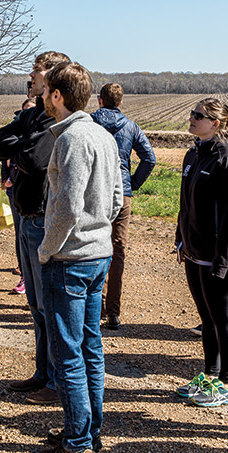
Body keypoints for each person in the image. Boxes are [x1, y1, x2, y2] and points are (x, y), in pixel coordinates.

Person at [31, 61, 123, 453]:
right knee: (89, 348)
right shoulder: (103, 135)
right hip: (97, 255)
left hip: (71, 259)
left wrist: (48, 250)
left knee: (67, 353)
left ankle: (77, 446)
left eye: (46, 89)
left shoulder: (72, 139)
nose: (41, 95)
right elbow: (119, 196)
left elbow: (66, 207)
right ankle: (88, 431)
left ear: (57, 96)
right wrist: (98, 229)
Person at [0, 50, 70, 405]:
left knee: (49, 306)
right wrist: (22, 145)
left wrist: (19, 148)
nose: (31, 79)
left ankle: (56, 382)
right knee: (36, 305)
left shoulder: (56, 120)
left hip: (42, 217)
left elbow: (35, 160)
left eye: (36, 74)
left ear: (52, 79)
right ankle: (42, 373)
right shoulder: (35, 114)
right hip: (24, 216)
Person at [173, 98, 228, 409]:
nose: (192, 119)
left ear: (216, 123)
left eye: (199, 116)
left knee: (222, 317)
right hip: (194, 250)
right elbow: (184, 202)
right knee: (206, 318)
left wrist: (222, 259)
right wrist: (181, 239)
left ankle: (227, 384)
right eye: (192, 113)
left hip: (220, 254)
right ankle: (210, 375)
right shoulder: (193, 153)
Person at [91, 83, 156, 330]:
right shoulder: (130, 126)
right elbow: (149, 158)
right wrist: (133, 183)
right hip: (122, 191)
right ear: (121, 102)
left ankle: (94, 306)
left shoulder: (89, 122)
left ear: (99, 100)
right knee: (117, 250)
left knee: (93, 247)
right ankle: (113, 312)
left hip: (95, 190)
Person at [1, 96, 36, 295]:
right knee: (20, 233)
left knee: (33, 233)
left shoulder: (39, 133)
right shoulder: (16, 132)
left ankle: (34, 278)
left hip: (32, 190)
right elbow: (4, 155)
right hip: (14, 190)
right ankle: (24, 274)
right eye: (24, 111)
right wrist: (6, 178)